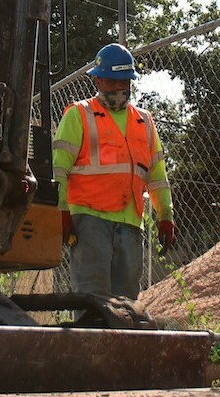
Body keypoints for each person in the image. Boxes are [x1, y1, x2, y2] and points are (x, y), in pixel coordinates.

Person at [52, 43, 175, 301]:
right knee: (92, 299)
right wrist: (61, 211)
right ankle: (89, 343)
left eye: (124, 82)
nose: (119, 88)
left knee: (126, 303)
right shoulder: (79, 115)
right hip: (89, 221)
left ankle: (119, 342)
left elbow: (157, 176)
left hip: (131, 223)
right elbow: (59, 169)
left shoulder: (145, 121)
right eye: (111, 81)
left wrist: (166, 215)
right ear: (98, 80)